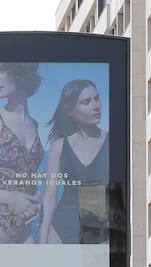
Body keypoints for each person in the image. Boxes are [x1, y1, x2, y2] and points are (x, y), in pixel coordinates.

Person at [0, 62, 44, 244]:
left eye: (1, 69)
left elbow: (25, 174)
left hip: (23, 226)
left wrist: (36, 196)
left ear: (20, 71)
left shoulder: (35, 125)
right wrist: (11, 198)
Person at [39, 79, 109, 245]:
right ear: (70, 111)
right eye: (86, 102)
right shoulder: (59, 147)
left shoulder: (114, 141)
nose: (95, 106)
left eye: (97, 98)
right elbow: (50, 196)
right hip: (60, 230)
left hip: (100, 232)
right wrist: (42, 241)